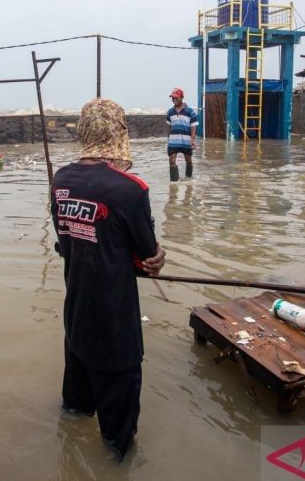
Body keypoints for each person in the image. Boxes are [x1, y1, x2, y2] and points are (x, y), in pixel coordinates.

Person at [51, 98, 166, 461]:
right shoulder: (131, 189)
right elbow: (146, 257)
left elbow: (67, 240)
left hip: (77, 319)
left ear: (84, 133)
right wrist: (157, 259)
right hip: (115, 329)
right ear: (119, 135)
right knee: (119, 443)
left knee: (75, 412)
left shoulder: (61, 180)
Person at [166, 88, 198, 181]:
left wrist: (192, 140)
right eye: (172, 97)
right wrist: (168, 140)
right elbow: (168, 126)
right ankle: (174, 184)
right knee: (171, 161)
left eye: (176, 97)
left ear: (182, 97)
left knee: (188, 161)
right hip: (173, 141)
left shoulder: (190, 112)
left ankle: (189, 179)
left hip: (186, 141)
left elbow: (193, 127)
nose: (174, 99)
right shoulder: (170, 112)